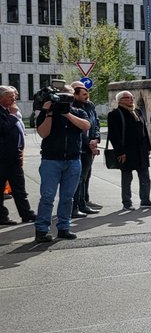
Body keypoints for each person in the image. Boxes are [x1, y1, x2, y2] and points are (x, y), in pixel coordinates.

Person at [34, 85, 91, 242]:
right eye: (62, 97)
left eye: (69, 97)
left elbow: (86, 126)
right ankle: (41, 230)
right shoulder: (47, 113)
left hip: (73, 160)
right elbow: (43, 133)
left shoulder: (79, 112)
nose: (65, 100)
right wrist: (50, 113)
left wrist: (67, 114)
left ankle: (64, 228)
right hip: (51, 161)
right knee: (47, 196)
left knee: (68, 197)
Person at [109, 90, 151, 211]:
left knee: (145, 176)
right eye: (127, 98)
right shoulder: (115, 114)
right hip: (127, 151)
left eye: (132, 97)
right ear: (120, 100)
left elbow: (144, 131)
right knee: (127, 178)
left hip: (141, 150)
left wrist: (148, 147)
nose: (131, 99)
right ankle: (127, 202)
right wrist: (120, 152)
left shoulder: (138, 112)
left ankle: (145, 200)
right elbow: (113, 135)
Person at [0, 85, 36, 225]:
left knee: (19, 188)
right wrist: (13, 115)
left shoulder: (9, 110)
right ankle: (2, 216)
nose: (13, 99)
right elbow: (3, 128)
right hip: (2, 157)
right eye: (9, 97)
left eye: (14, 96)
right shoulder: (8, 112)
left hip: (14, 156)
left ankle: (26, 213)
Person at [70, 82, 101, 217]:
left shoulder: (90, 106)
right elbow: (79, 129)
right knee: (78, 179)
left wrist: (96, 139)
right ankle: (74, 207)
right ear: (75, 95)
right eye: (83, 94)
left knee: (84, 178)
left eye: (87, 93)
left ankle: (83, 204)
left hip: (90, 147)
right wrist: (89, 142)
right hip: (80, 148)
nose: (87, 96)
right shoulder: (71, 108)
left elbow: (96, 124)